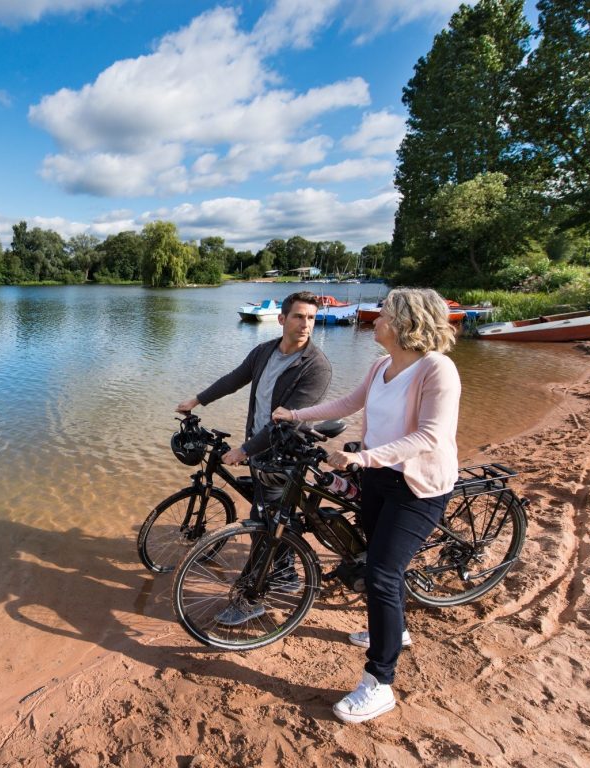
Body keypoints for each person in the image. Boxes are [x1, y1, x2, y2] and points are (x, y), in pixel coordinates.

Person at [273, 287, 461, 724]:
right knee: (374, 561)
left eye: (383, 315)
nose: (375, 319)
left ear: (404, 322)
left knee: (380, 572)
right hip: (378, 479)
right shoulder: (381, 365)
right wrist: (295, 415)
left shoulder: (438, 370)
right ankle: (394, 630)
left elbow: (431, 435)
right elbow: (349, 403)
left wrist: (362, 457)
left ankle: (380, 684)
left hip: (417, 486)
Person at [176, 290, 332, 622]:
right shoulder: (264, 351)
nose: (306, 324)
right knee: (275, 516)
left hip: (285, 455)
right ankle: (287, 574)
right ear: (282, 319)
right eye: (299, 317)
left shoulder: (315, 367)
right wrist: (197, 400)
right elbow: (234, 379)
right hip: (259, 446)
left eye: (311, 318)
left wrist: (244, 450)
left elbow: (291, 422)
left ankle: (250, 599)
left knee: (265, 526)